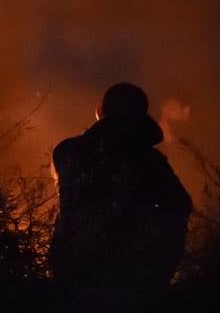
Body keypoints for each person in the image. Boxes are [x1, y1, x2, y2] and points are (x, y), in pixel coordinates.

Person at [49, 82, 192, 294]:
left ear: (100, 112)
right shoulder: (148, 160)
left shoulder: (66, 151)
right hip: (127, 271)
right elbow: (181, 205)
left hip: (71, 263)